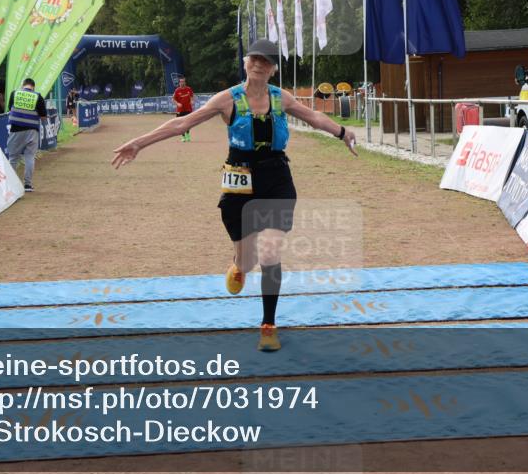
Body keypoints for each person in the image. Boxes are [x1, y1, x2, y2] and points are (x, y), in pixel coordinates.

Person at [112, 39, 358, 352]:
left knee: (270, 252)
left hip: (276, 178)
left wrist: (342, 132)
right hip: (240, 179)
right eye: (254, 58)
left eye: (266, 61)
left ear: (273, 69)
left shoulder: (280, 98)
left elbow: (314, 117)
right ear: (245, 63)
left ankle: (268, 324)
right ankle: (238, 265)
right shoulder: (227, 99)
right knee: (249, 260)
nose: (259, 64)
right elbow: (183, 123)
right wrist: (139, 142)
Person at [7, 78, 48, 192]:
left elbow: (10, 109)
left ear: (23, 85)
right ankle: (28, 185)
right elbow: (43, 117)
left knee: (13, 158)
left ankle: (12, 184)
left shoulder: (14, 93)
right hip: (32, 130)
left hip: (15, 129)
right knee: (29, 157)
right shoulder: (37, 96)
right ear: (33, 87)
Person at [172, 76, 195, 142]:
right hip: (180, 110)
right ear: (179, 83)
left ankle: (187, 135)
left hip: (188, 109)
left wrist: (192, 101)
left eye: (183, 81)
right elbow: (173, 99)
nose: (182, 83)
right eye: (181, 82)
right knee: (181, 123)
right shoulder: (177, 90)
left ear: (185, 82)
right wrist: (177, 104)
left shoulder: (189, 89)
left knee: (188, 123)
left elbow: (192, 96)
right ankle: (183, 136)